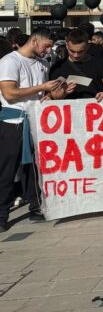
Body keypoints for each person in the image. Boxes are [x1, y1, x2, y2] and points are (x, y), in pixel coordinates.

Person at [0, 28, 73, 230]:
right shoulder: (10, 61)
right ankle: (1, 215)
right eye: (46, 46)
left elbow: (42, 96)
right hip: (13, 122)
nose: (48, 50)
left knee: (34, 169)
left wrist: (59, 92)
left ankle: (36, 206)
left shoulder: (42, 63)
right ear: (34, 41)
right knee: (7, 170)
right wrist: (43, 88)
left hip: (35, 120)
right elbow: (9, 94)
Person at [48, 29, 103, 101]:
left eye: (80, 51)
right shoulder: (58, 66)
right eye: (72, 51)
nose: (76, 55)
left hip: (95, 107)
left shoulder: (99, 62)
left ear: (87, 47)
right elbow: (54, 95)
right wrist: (63, 93)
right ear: (67, 46)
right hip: (68, 109)